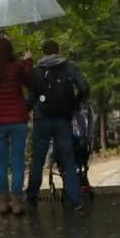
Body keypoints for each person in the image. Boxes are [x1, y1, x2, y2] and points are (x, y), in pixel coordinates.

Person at [26, 40, 90, 210]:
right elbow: (84, 88)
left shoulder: (37, 72)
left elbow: (30, 98)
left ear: (43, 52)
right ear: (58, 50)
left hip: (41, 120)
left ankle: (32, 196)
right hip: (63, 119)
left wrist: (28, 109)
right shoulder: (70, 67)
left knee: (38, 160)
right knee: (68, 160)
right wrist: (75, 104)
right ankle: (75, 199)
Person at [0, 36, 33, 215]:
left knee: (2, 162)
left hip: (0, 122)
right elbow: (30, 82)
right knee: (18, 161)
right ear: (10, 50)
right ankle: (17, 203)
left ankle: (3, 202)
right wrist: (28, 62)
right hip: (18, 120)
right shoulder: (17, 68)